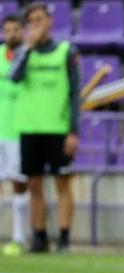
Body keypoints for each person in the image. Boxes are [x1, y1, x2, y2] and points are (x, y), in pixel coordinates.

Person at [8, 3, 81, 253]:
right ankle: (39, 237)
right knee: (34, 186)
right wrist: (28, 47)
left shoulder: (65, 51)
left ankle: (63, 238)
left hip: (58, 129)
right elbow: (14, 77)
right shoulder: (24, 52)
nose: (37, 24)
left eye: (40, 19)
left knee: (63, 185)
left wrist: (73, 130)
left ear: (50, 21)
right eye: (32, 21)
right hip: (29, 128)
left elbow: (74, 94)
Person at [0, 15, 28, 257]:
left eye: (15, 29)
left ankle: (19, 237)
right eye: (7, 30)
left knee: (19, 183)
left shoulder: (29, 57)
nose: (11, 35)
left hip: (18, 130)